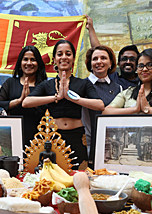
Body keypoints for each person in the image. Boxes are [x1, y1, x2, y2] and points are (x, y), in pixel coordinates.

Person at [23, 40, 104, 169]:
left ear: (73, 58)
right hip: (53, 137)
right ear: (54, 59)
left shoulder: (83, 83)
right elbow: (26, 102)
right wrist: (57, 97)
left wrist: (73, 98)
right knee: (54, 177)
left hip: (77, 136)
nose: (64, 57)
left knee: (80, 175)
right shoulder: (46, 84)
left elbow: (100, 105)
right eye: (60, 54)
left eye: (68, 54)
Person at [0, 46, 47, 145]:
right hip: (13, 135)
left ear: (38, 64)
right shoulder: (11, 83)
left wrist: (30, 102)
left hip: (39, 136)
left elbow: (49, 111)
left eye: (33, 60)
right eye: (25, 59)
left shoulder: (44, 85)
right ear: (20, 63)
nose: (29, 63)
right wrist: (19, 100)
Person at [82, 45, 122, 164]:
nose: (99, 62)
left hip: (110, 143)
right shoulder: (82, 85)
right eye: (95, 59)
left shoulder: (118, 88)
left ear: (110, 63)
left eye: (103, 58)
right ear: (90, 64)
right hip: (88, 143)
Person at [86, 15, 139, 89]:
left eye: (132, 59)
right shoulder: (113, 78)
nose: (128, 62)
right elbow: (98, 51)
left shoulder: (143, 81)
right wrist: (91, 29)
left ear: (138, 63)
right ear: (118, 63)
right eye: (124, 59)